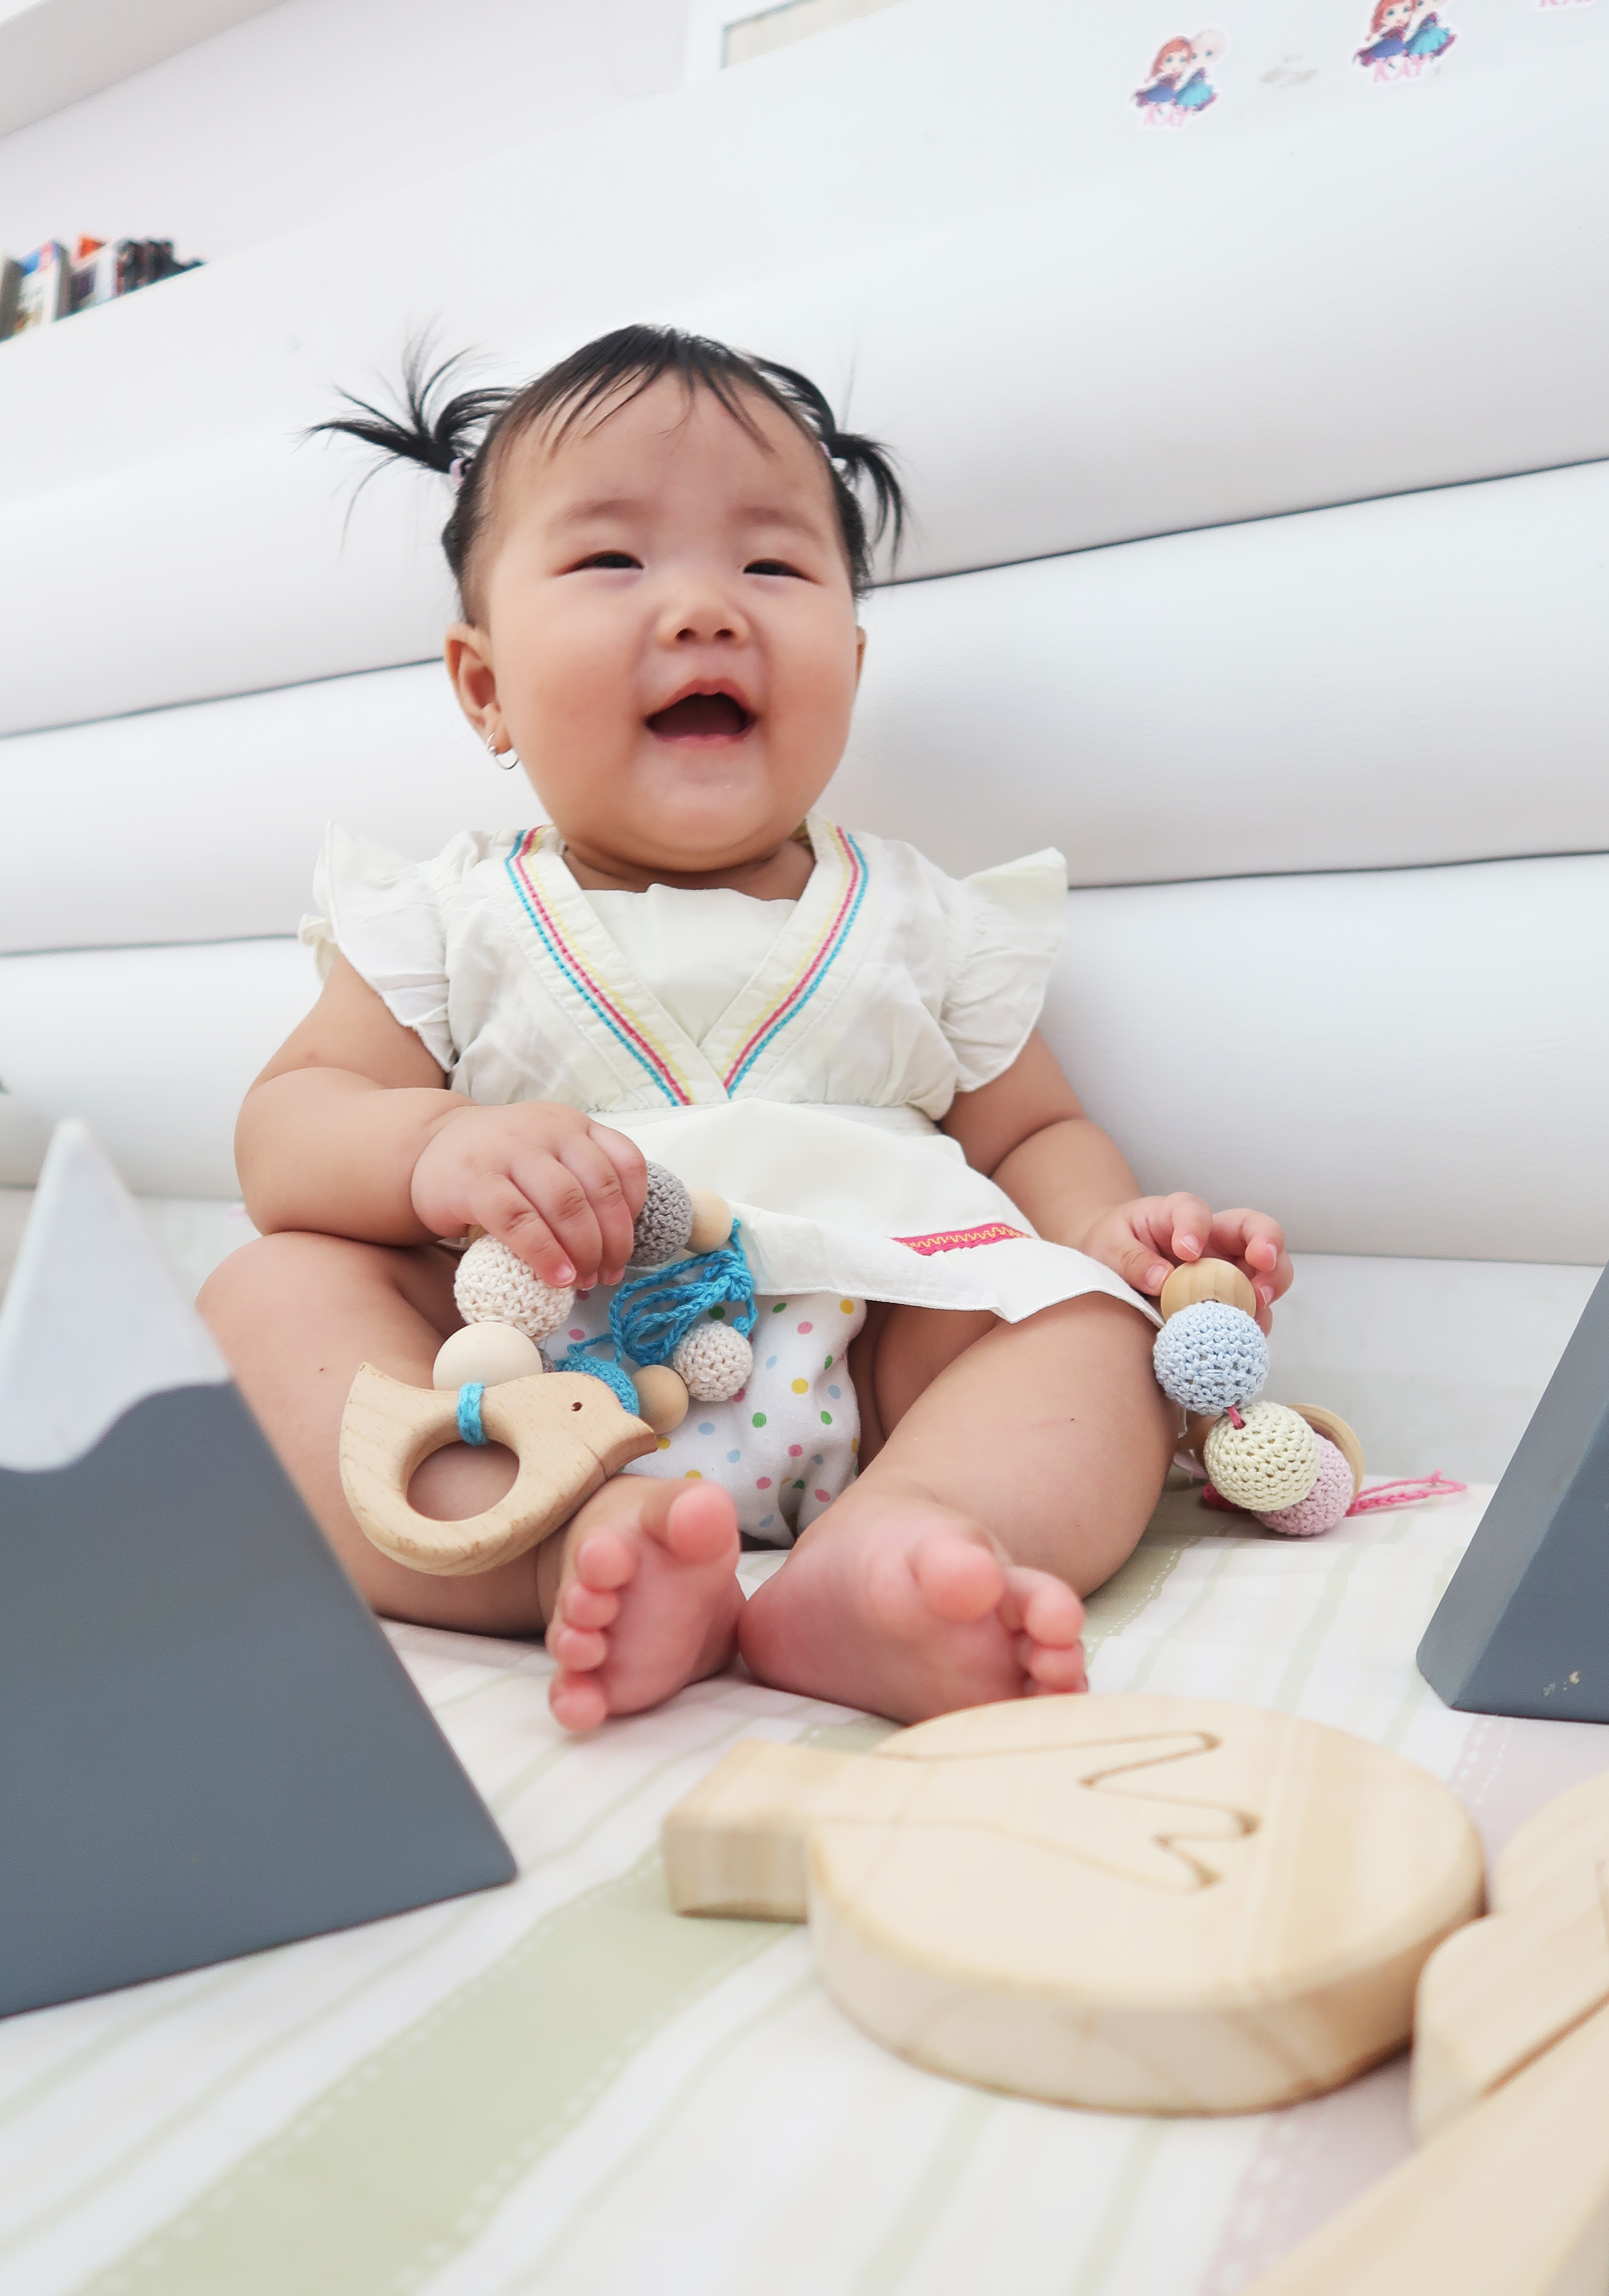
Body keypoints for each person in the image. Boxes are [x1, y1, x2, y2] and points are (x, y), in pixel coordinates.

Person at [201, 327, 1291, 1734]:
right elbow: (288, 1130)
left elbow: (1033, 1132)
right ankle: (552, 1548)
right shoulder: (447, 916)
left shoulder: (925, 920)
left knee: (1090, 1331)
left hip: (882, 1365)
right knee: (267, 1294)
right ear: (485, 687)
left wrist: (1109, 1234)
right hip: (523, 1372)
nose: (707, 610)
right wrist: (440, 1148)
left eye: (772, 565)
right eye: (613, 560)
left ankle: (900, 1550)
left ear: (851, 659)